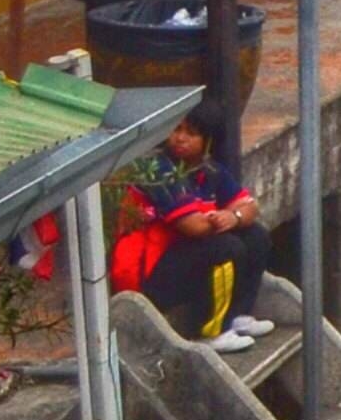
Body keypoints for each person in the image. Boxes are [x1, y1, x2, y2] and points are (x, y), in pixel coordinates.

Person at [111, 116, 272, 343]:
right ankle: (214, 331)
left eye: (191, 133)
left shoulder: (210, 171)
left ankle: (239, 315)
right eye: (176, 130)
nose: (180, 138)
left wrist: (233, 217)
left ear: (207, 141)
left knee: (256, 235)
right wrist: (226, 219)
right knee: (226, 248)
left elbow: (250, 207)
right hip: (147, 276)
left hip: (179, 259)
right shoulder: (160, 171)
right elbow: (193, 227)